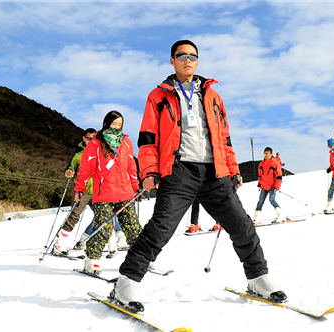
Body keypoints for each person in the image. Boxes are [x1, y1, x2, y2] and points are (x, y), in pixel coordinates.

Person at [114, 40, 286, 312]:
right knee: (161, 229)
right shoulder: (158, 96)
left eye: (193, 56)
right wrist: (148, 171)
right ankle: (126, 281)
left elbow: (225, 138)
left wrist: (233, 169)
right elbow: (147, 138)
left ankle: (257, 277)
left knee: (242, 226)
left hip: (214, 172)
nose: (188, 60)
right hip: (179, 171)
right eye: (182, 55)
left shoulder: (213, 96)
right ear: (172, 60)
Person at [74, 110, 142, 274]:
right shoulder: (95, 144)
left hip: (125, 193)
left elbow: (131, 167)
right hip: (103, 194)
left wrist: (135, 184)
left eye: (120, 125)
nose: (117, 127)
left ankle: (141, 259)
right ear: (106, 124)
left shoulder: (126, 143)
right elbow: (85, 169)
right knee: (103, 228)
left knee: (134, 228)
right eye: (114, 124)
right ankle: (91, 261)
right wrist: (80, 189)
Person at [54, 128, 105, 254]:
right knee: (74, 216)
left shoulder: (99, 152)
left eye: (93, 138)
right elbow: (69, 169)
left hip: (97, 191)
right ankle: (58, 244)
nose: (91, 141)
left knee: (103, 216)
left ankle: (92, 243)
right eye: (88, 138)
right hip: (83, 190)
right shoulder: (78, 154)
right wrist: (69, 173)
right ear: (84, 138)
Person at [253, 147, 285, 223]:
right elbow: (260, 175)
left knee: (272, 200)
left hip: (272, 186)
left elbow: (279, 176)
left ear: (271, 154)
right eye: (265, 154)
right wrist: (260, 183)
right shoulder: (261, 164)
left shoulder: (275, 164)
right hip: (264, 186)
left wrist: (277, 186)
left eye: (267, 154)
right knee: (260, 201)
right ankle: (256, 217)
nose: (266, 155)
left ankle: (280, 214)